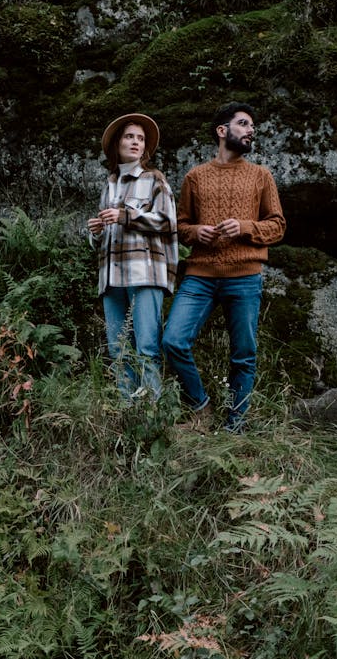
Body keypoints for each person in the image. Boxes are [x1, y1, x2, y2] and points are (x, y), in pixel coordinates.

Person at [162, 100, 286, 432]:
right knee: (173, 340)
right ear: (222, 131)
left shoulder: (261, 176)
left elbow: (277, 226)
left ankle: (234, 425)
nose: (250, 131)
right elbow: (180, 225)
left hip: (245, 278)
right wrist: (195, 232)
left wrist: (245, 227)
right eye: (244, 124)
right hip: (200, 277)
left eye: (252, 126)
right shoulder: (195, 177)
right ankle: (201, 406)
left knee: (243, 356)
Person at [88, 112, 179, 403]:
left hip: (145, 274)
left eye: (140, 138)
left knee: (146, 347)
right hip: (111, 278)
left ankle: (152, 415)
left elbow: (167, 222)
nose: (136, 142)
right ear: (117, 144)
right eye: (130, 136)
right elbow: (107, 237)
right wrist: (97, 231)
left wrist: (126, 215)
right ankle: (128, 414)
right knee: (117, 349)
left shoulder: (155, 180)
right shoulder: (109, 184)